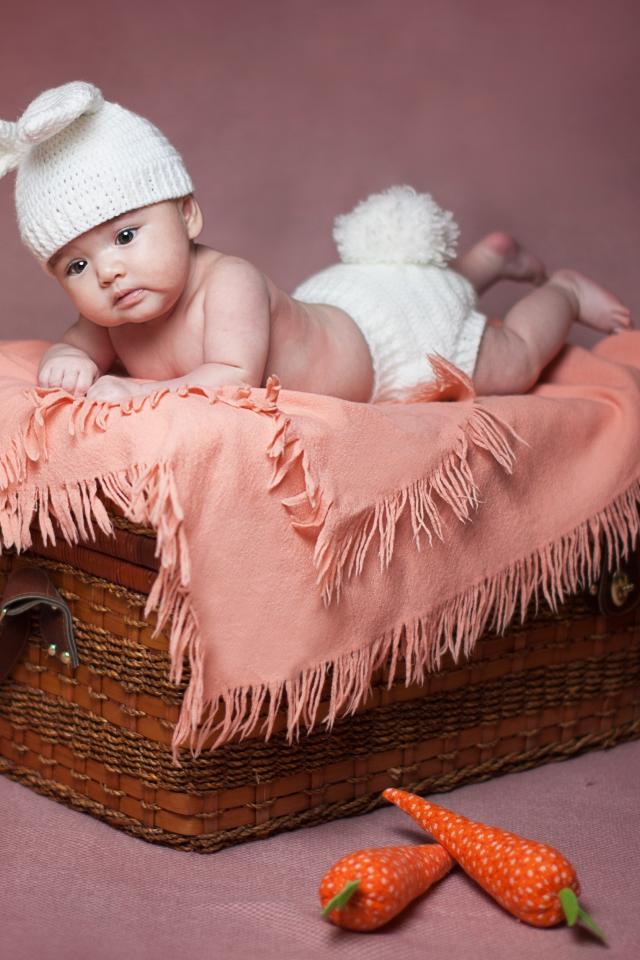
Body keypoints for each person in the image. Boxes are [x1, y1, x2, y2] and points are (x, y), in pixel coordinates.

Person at [1, 82, 631, 405]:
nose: (108, 272)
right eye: (76, 265)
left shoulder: (228, 282)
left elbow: (234, 380)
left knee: (512, 362)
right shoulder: (111, 314)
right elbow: (76, 344)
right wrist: (69, 359)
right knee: (433, 283)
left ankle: (564, 293)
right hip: (342, 302)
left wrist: (137, 390)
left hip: (393, 345)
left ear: (188, 216)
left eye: (125, 236)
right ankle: (486, 262)